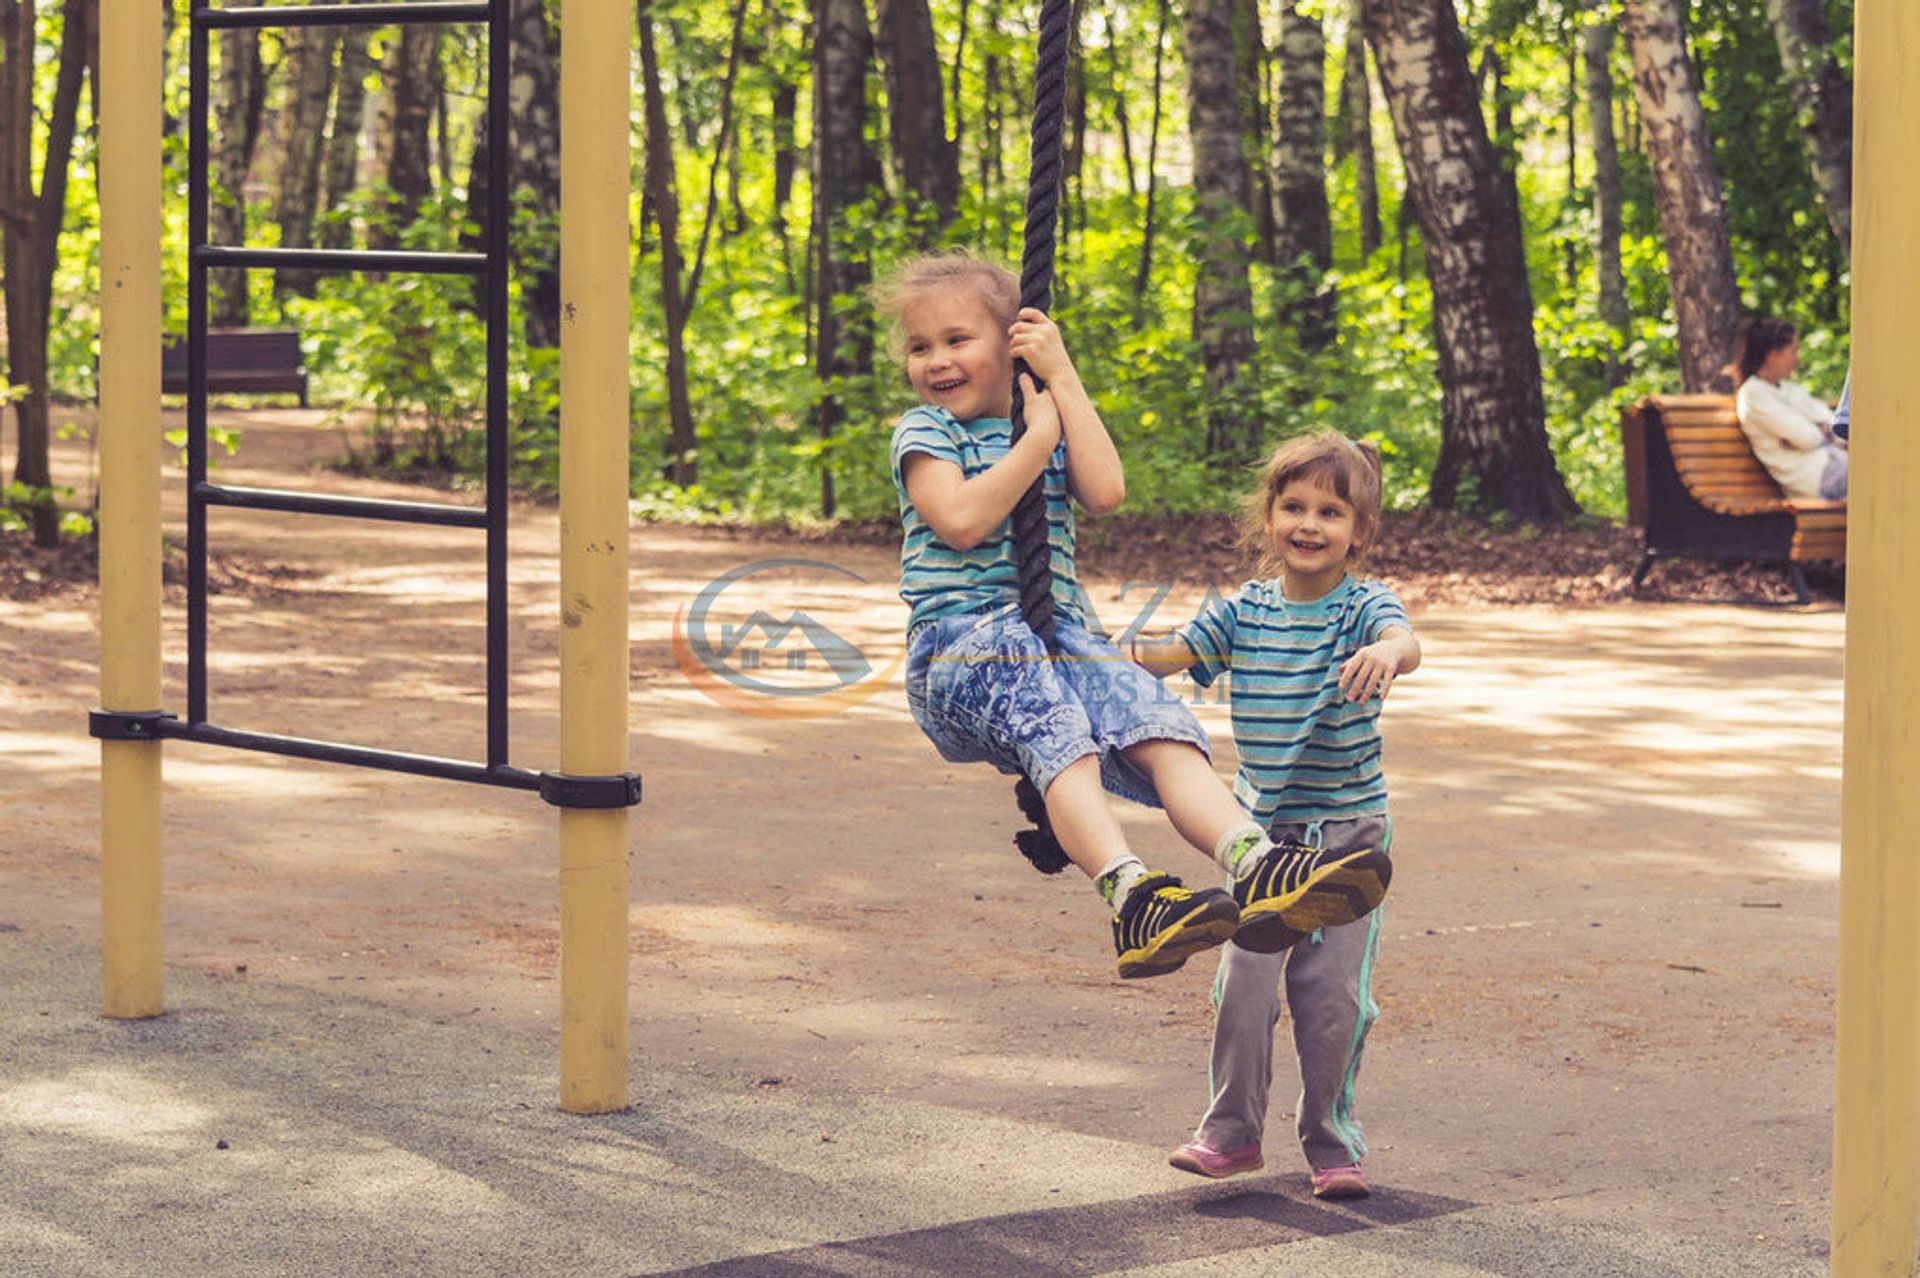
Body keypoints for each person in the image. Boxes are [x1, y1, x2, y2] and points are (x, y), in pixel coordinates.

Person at [879, 251, 1392, 981]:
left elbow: (1108, 489)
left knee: (1160, 723)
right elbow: (960, 521)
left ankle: (1258, 864)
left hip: (1055, 638)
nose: (936, 361)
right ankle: (1131, 894)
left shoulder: (1044, 415)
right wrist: (1035, 443)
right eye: (920, 347)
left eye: (957, 340)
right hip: (961, 648)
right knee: (1059, 730)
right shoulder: (927, 432)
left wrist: (1062, 380)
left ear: (1015, 342)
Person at [1131, 430, 1419, 1200]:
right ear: (1268, 518)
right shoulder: (1244, 611)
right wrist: (1114, 653)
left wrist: (1388, 655)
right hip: (1260, 841)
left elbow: (1405, 638)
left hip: (1349, 839)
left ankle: (1332, 1142)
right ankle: (1230, 1134)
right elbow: (1176, 653)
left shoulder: (1363, 607)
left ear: (1359, 531)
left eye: (1331, 510)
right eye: (1293, 505)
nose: (1309, 523)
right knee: (1245, 985)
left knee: (1330, 1001)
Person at [1733, 318, 1848, 500]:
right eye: (1793, 351)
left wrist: (1819, 430)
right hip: (1816, 478)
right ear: (1772, 355)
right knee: (1877, 473)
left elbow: (1832, 423)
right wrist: (1819, 430)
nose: (1797, 358)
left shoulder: (1789, 389)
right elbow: (1808, 438)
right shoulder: (1753, 395)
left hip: (1835, 464)